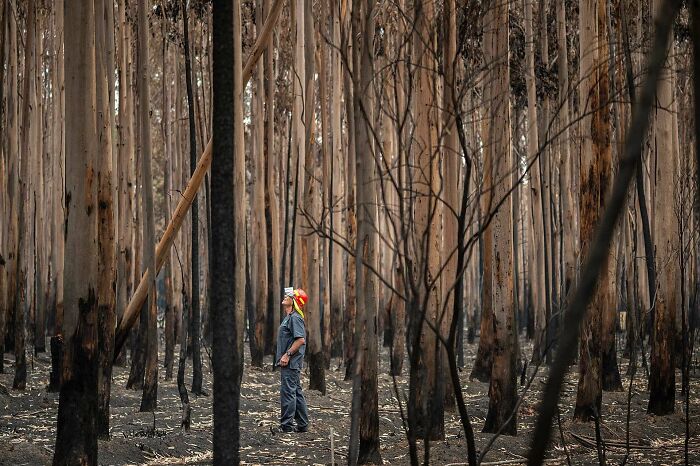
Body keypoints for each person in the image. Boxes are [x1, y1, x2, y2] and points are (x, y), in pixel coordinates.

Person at [274, 287, 309, 433]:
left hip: (291, 362)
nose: (285, 296)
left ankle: (286, 426)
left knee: (288, 392)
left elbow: (300, 340)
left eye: (289, 295)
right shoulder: (290, 317)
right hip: (291, 362)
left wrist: (287, 355)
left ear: (294, 301)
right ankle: (302, 424)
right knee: (296, 392)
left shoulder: (295, 318)